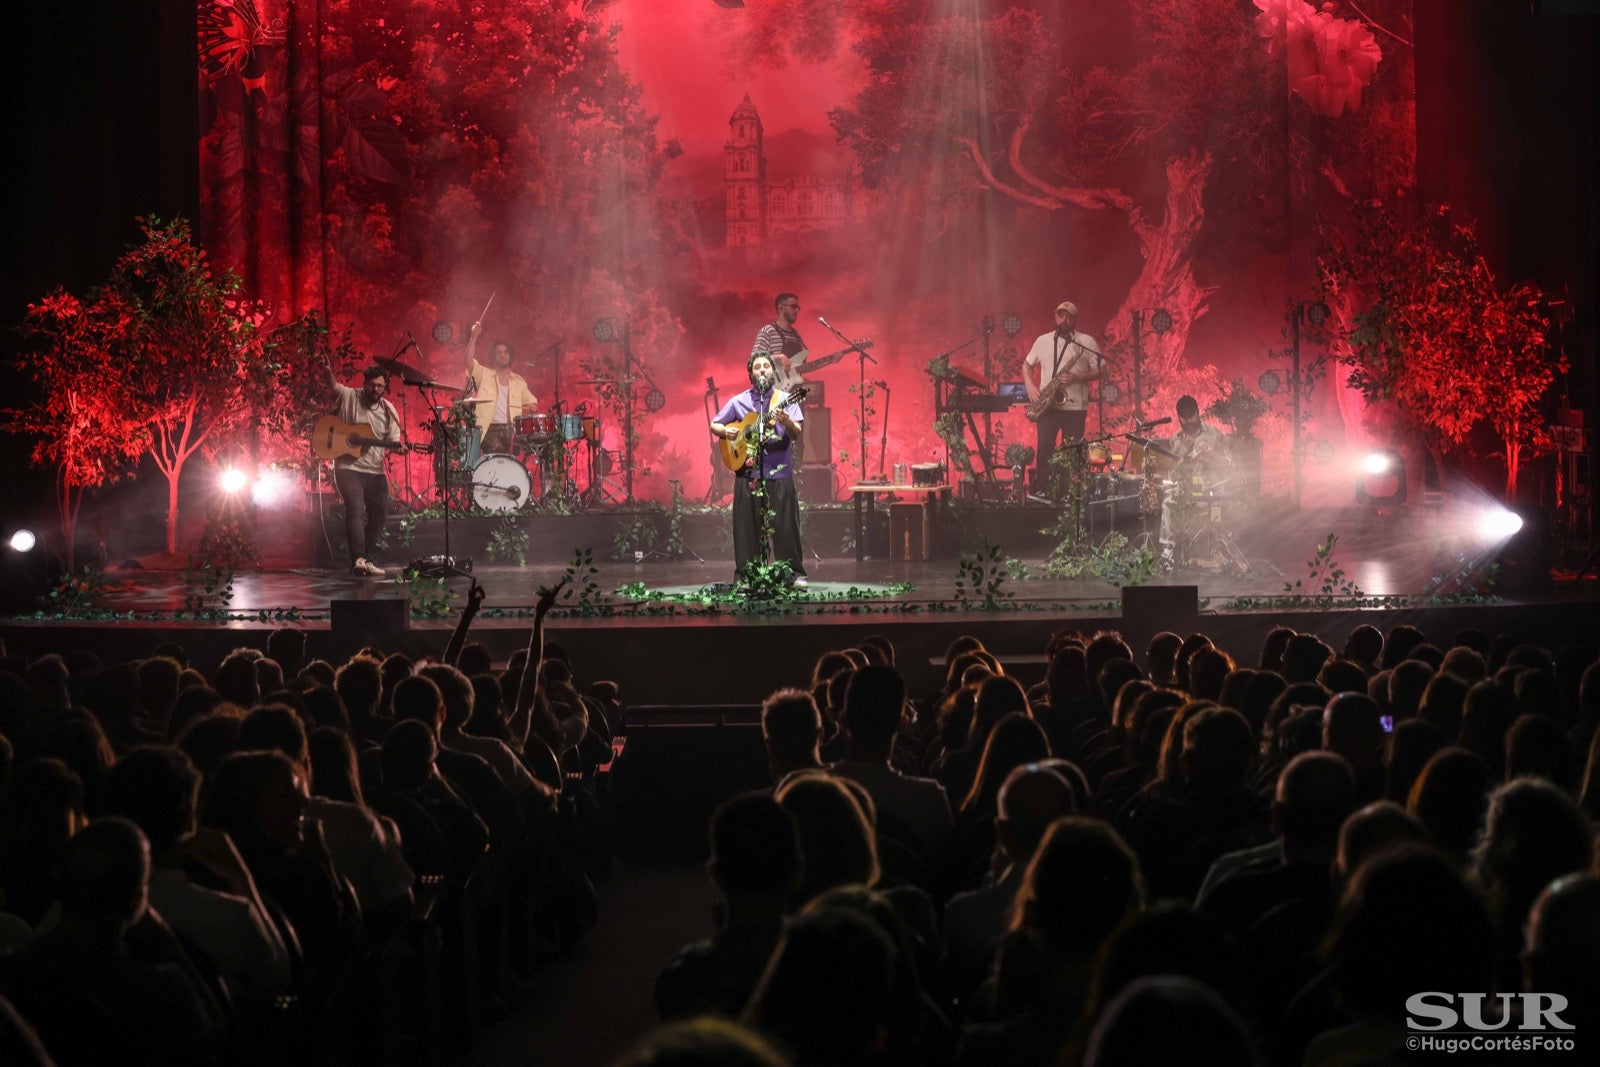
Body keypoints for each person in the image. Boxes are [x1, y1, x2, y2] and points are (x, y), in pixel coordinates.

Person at [710, 350, 807, 586]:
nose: (762, 369)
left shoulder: (785, 399)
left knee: (786, 527)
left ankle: (792, 574)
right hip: (747, 473)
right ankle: (747, 576)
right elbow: (715, 424)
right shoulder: (739, 401)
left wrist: (786, 422)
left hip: (779, 472)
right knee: (746, 529)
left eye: (766, 366)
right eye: (757, 367)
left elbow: (796, 433)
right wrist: (726, 431)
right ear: (751, 374)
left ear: (773, 372)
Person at [324, 361, 408, 577]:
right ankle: (358, 558)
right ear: (364, 384)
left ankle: (365, 559)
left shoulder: (389, 410)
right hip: (348, 466)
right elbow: (334, 387)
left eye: (380, 386)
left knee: (380, 515)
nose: (376, 390)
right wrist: (327, 370)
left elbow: (393, 441)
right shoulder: (350, 396)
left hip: (375, 471)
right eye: (371, 385)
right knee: (355, 509)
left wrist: (400, 449)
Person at [1024, 300, 1105, 494]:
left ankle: (1065, 491)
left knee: (1070, 452)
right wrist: (1030, 385)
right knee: (1044, 448)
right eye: (1060, 316)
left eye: (1068, 317)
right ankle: (1042, 489)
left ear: (1075, 320)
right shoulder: (1042, 341)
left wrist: (1077, 377)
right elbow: (1026, 365)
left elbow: (1102, 370)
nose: (1064, 320)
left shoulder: (1086, 342)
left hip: (1075, 407)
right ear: (1055, 317)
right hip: (1048, 405)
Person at [464, 319, 538, 460]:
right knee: (500, 458)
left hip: (513, 430)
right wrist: (473, 337)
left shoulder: (518, 380)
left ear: (510, 356)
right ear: (494, 355)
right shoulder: (484, 374)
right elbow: (468, 362)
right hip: (489, 428)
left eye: (505, 352)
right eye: (499, 352)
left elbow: (532, 402)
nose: (503, 355)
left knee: (514, 462)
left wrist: (532, 406)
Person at [751, 292, 806, 388]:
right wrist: (778, 357)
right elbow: (754, 360)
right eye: (793, 306)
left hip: (794, 392)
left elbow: (802, 365)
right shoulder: (768, 331)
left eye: (798, 308)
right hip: (773, 391)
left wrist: (829, 360)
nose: (797, 310)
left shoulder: (796, 335)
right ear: (781, 308)